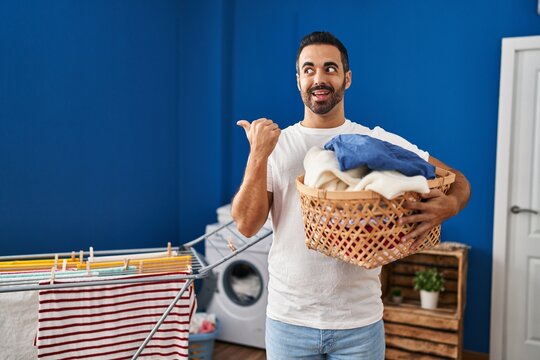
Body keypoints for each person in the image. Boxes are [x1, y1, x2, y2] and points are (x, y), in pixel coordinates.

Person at [231, 31, 471, 360]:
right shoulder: (277, 145)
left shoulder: (374, 140)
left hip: (359, 323)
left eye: (330, 68)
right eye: (309, 69)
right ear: (298, 79)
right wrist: (258, 154)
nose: (319, 78)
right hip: (289, 320)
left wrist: (451, 204)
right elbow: (245, 225)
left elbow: (458, 181)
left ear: (347, 78)